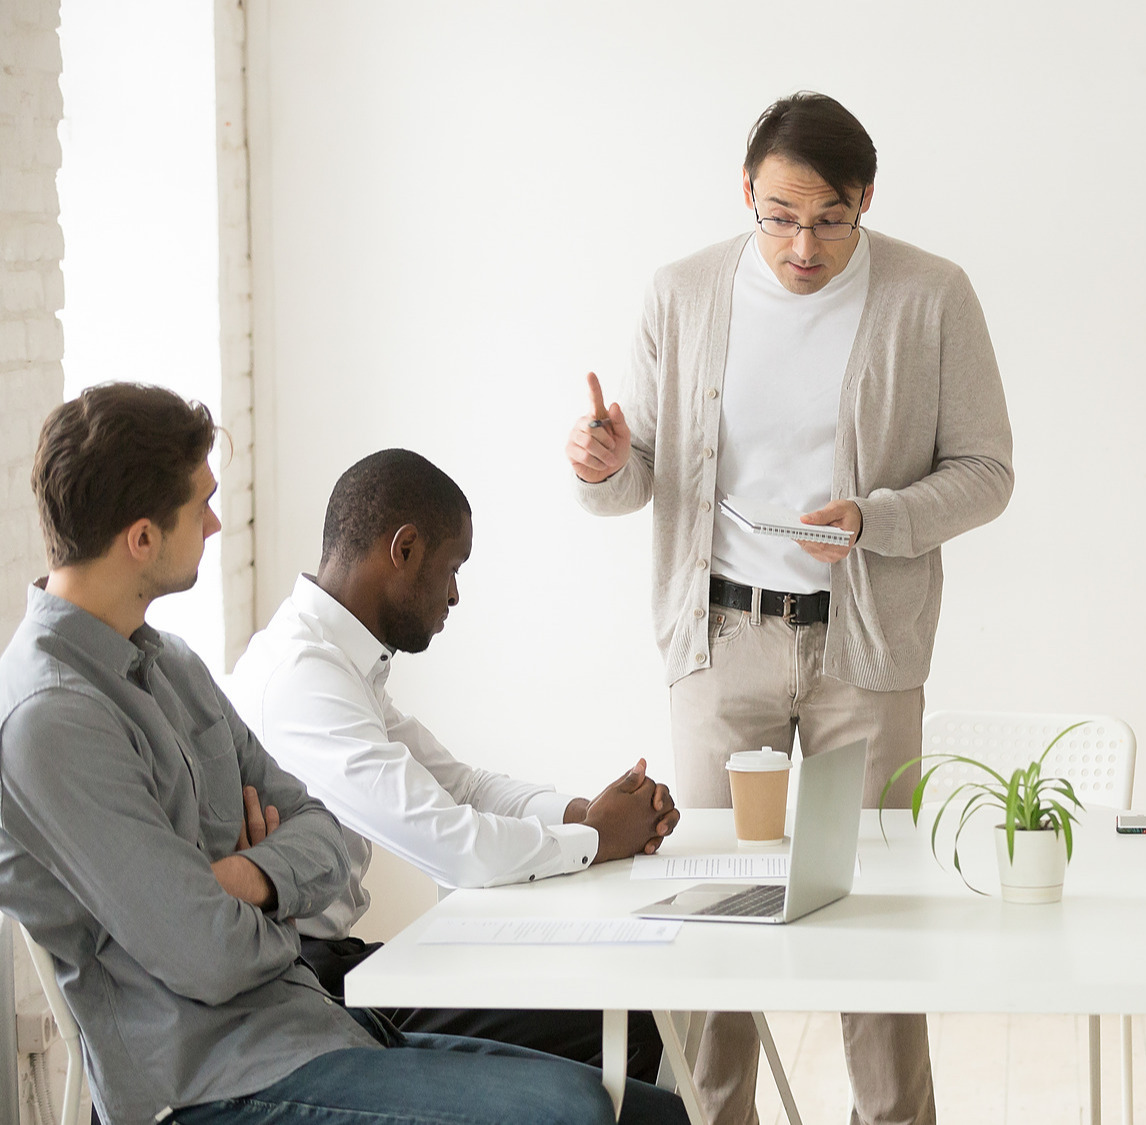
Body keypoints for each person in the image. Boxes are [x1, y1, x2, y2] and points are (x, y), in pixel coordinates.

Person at [0, 384, 687, 1125]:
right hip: (211, 1080)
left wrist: (251, 877)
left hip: (305, 1025)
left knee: (646, 1111)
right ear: (140, 538)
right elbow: (208, 953)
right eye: (199, 504)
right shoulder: (52, 719)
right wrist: (276, 906)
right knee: (579, 1111)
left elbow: (321, 827)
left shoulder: (171, 662)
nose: (216, 521)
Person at [565, 92, 1011, 1125]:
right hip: (719, 642)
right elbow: (635, 474)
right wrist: (600, 463)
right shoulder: (680, 294)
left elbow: (987, 471)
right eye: (777, 216)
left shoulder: (930, 294)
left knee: (875, 915)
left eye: (827, 219)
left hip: (866, 648)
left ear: (864, 199)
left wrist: (879, 519)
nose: (801, 246)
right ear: (745, 194)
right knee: (710, 907)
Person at [228, 448, 680, 1078]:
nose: (456, 594)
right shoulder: (303, 677)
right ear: (404, 550)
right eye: (453, 567)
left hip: (333, 963)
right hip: (302, 989)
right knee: (622, 1017)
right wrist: (597, 839)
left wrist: (587, 812)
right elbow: (451, 845)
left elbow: (462, 787)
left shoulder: (335, 660)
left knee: (611, 995)